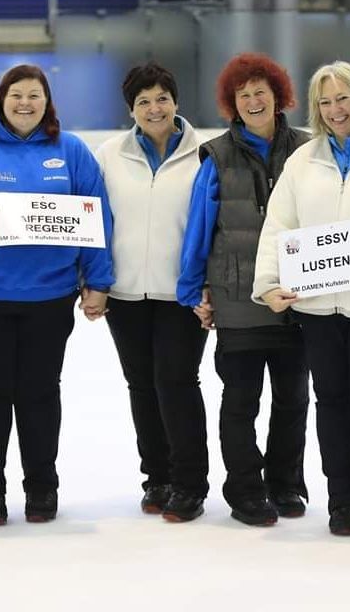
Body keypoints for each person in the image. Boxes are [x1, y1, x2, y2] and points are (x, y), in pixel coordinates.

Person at [0, 64, 114, 526]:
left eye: (35, 95)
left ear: (46, 101)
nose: (25, 103)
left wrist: (98, 282)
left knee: (38, 393)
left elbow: (97, 221)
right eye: (17, 95)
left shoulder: (70, 150)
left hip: (49, 297)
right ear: (1, 99)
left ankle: (41, 488)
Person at [253, 61, 350, 537]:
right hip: (317, 309)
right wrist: (270, 282)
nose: (336, 110)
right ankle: (342, 500)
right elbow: (279, 225)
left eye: (344, 98)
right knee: (331, 403)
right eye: (325, 101)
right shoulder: (303, 161)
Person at [177, 52, 310, 527]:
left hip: (299, 298)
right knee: (241, 402)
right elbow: (199, 227)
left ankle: (286, 482)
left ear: (279, 97)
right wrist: (194, 290)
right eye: (243, 94)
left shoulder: (308, 149)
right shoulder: (216, 155)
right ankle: (246, 489)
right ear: (232, 103)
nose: (253, 100)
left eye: (261, 91)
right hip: (237, 300)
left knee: (294, 399)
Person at [95, 62, 209, 522]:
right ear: (131, 109)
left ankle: (190, 483)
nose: (154, 108)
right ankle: (157, 477)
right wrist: (97, 281)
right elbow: (96, 223)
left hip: (181, 295)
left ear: (176, 102)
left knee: (177, 384)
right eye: (143, 101)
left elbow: (211, 226)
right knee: (142, 386)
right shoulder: (108, 155)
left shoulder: (206, 154)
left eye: (162, 98)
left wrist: (207, 287)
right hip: (126, 295)